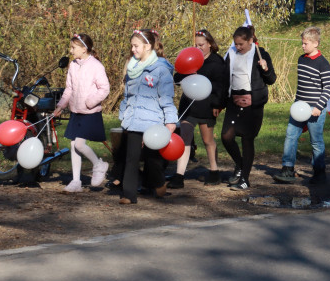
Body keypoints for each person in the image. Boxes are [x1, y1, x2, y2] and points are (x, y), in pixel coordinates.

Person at [117, 29, 178, 205]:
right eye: (132, 46)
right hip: (134, 120)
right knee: (131, 157)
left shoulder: (161, 69)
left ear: (147, 46)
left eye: (136, 46)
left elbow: (166, 97)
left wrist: (170, 120)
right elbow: (127, 95)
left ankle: (158, 182)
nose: (133, 49)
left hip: (153, 122)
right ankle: (128, 194)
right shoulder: (132, 68)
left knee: (152, 159)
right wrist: (124, 114)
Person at [275, 27, 330, 185]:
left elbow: (328, 88)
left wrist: (318, 107)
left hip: (315, 110)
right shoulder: (301, 59)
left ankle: (319, 173)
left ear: (315, 43)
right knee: (290, 135)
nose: (302, 46)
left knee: (316, 142)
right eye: (302, 43)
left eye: (305, 43)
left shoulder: (323, 63)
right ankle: (287, 169)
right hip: (298, 108)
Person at [54, 33, 110, 193]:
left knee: (79, 144)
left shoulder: (96, 66)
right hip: (75, 111)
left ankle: (99, 165)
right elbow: (69, 88)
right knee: (73, 145)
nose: (71, 51)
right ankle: (76, 181)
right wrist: (61, 105)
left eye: (73, 47)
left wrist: (90, 102)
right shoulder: (73, 65)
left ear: (84, 49)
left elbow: (104, 88)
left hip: (89, 112)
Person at [223, 26, 277, 190]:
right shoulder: (231, 54)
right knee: (226, 136)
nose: (238, 47)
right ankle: (240, 165)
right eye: (236, 44)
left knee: (247, 139)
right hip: (234, 102)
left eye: (241, 44)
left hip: (253, 104)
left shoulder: (260, 54)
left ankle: (244, 179)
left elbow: (271, 79)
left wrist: (265, 69)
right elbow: (224, 77)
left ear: (250, 41)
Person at [172, 29, 227, 188]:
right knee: (185, 138)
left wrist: (218, 104)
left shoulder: (217, 62)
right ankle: (179, 175)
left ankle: (214, 171)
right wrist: (188, 70)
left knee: (207, 139)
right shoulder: (190, 58)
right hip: (188, 105)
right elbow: (177, 78)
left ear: (210, 44)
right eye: (196, 45)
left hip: (207, 106)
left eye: (201, 45)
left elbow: (221, 86)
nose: (199, 48)